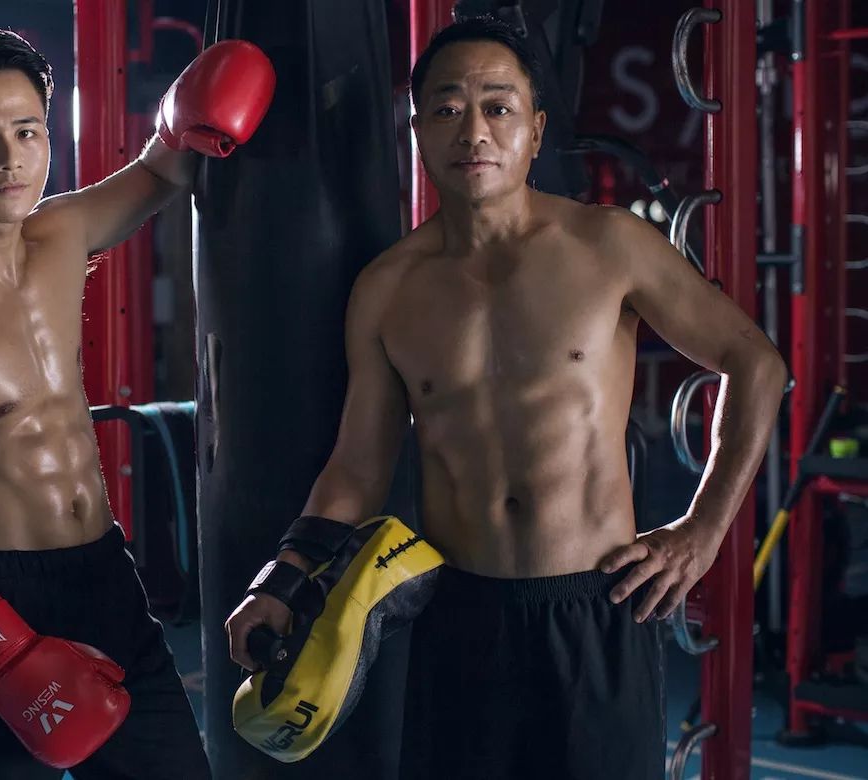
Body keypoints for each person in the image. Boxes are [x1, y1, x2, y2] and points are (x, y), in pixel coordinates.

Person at [224, 16, 786, 779]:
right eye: (448, 108)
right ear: (417, 129)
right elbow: (357, 465)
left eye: (498, 106)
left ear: (535, 128)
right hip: (460, 615)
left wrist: (704, 529)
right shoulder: (386, 289)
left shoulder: (607, 245)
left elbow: (754, 362)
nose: (474, 131)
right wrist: (282, 579)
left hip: (595, 607)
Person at [0, 22, 272, 779]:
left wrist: (200, 104)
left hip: (104, 578)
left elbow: (162, 168)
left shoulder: (63, 234)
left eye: (28, 131)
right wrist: (3, 653)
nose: (11, 158)